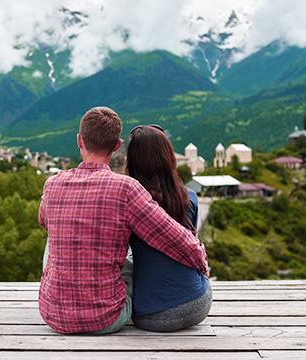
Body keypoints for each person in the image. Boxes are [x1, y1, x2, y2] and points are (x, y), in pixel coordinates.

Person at [38, 107, 209, 335]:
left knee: (52, 240)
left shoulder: (52, 184)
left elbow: (43, 221)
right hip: (106, 318)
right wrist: (201, 261)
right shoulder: (126, 189)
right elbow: (174, 238)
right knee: (128, 259)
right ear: (117, 145)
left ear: (79, 140)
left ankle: (63, 297)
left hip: (54, 316)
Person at [126, 125, 212, 332]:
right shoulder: (189, 197)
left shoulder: (130, 203)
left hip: (150, 316)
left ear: (133, 161)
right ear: (168, 157)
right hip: (198, 306)